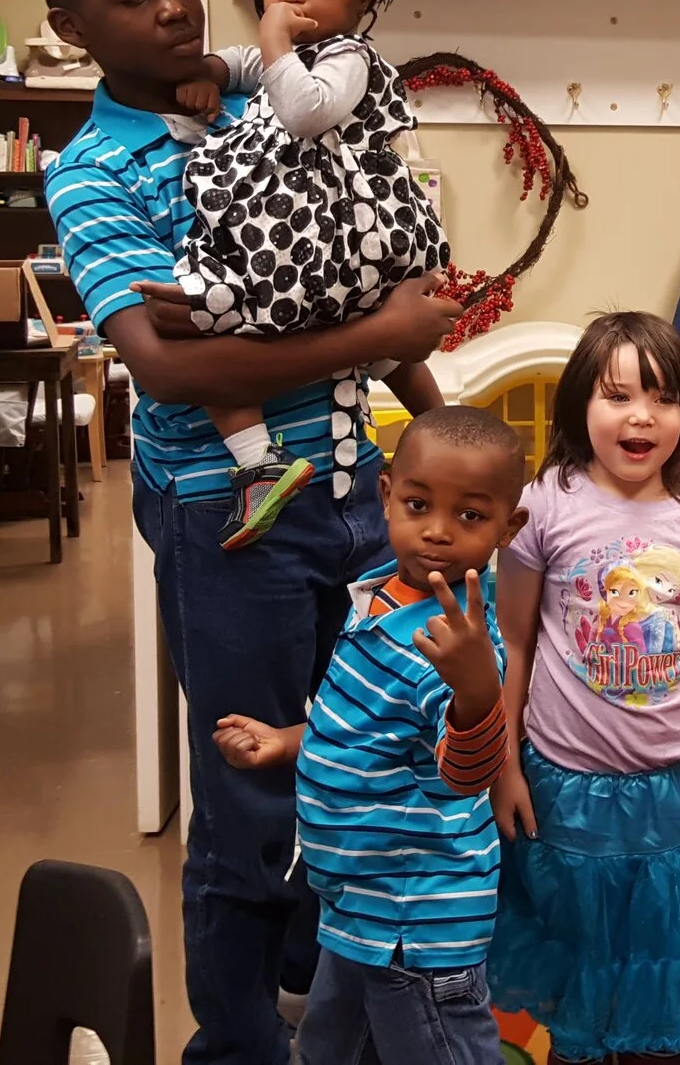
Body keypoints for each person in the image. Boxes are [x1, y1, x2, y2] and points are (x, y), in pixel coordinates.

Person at [36, 0, 460, 1065]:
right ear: (72, 29)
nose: (172, 5)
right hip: (228, 513)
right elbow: (172, 366)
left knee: (359, 763)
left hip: (354, 489)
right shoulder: (93, 173)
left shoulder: (270, 98)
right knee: (249, 807)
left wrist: (436, 420)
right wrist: (378, 331)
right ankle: (235, 1047)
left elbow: (358, 271)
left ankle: (320, 1018)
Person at [487, 312, 680, 1062]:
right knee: (580, 982)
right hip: (567, 798)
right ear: (580, 405)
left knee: (664, 986)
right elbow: (513, 639)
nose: (641, 416)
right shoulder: (543, 503)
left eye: (662, 398)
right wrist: (505, 765)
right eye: (617, 396)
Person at [210, 406, 530, 1065]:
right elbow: (366, 728)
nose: (437, 530)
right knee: (326, 1050)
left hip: (415, 928)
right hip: (356, 906)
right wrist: (288, 740)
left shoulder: (458, 642)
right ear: (386, 495)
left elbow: (466, 772)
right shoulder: (378, 597)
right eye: (418, 504)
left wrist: (477, 692)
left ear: (509, 527)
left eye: (470, 515)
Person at [136, 0, 449, 551]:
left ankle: (442, 432)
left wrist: (272, 41)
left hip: (340, 233)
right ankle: (261, 463)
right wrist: (208, 75)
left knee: (240, 321)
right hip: (302, 238)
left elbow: (306, 111)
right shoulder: (282, 55)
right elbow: (232, 64)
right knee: (356, 344)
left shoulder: (347, 57)